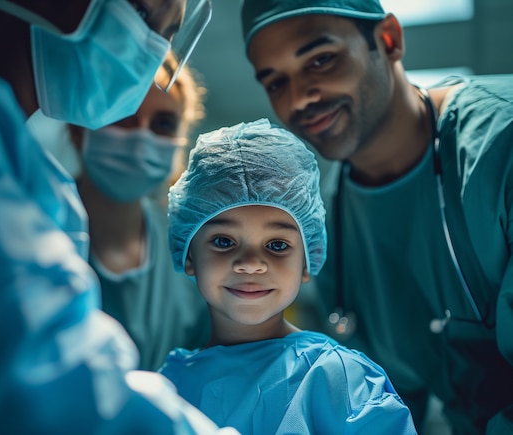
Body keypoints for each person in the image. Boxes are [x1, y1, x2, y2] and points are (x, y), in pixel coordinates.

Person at [0, 0, 242, 433]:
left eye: (167, 37)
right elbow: (41, 388)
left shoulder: (37, 178)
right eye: (147, 18)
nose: (152, 55)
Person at [240, 0, 513, 433]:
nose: (298, 99)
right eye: (275, 82)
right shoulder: (326, 229)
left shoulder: (501, 149)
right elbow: (381, 407)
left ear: (389, 40)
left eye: (321, 59)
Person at [159, 118, 417, 435]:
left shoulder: (338, 378)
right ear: (188, 255)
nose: (251, 264)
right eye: (224, 242)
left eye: (277, 245)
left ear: (308, 260)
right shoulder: (168, 387)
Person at [64, 56, 211, 371]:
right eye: (123, 114)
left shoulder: (189, 255)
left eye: (162, 124)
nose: (142, 137)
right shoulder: (36, 229)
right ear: (77, 129)